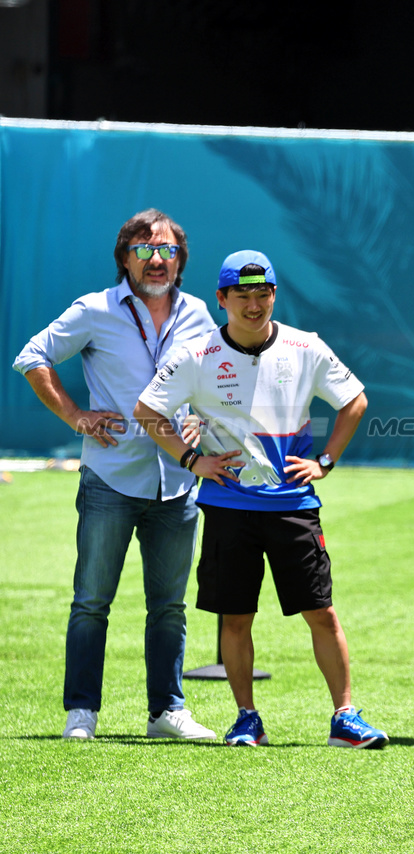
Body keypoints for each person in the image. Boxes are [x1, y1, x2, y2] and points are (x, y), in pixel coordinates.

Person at [134, 250, 387, 749]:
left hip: (295, 505)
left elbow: (354, 401)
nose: (253, 305)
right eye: (242, 296)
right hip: (229, 508)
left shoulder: (305, 346)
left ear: (274, 294)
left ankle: (345, 717)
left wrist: (327, 460)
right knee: (237, 616)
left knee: (323, 612)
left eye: (262, 294)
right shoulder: (196, 355)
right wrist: (192, 460)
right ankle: (246, 718)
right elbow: (147, 410)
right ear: (222, 299)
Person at [13, 209, 218, 741]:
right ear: (124, 257)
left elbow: (213, 378)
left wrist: (201, 415)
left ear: (180, 259)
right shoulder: (95, 309)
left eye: (167, 250)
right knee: (91, 602)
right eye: (145, 249)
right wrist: (75, 416)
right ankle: (82, 712)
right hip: (109, 478)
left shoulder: (198, 314)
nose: (157, 259)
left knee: (169, 606)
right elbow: (33, 356)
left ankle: (165, 713)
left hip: (177, 482)